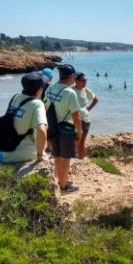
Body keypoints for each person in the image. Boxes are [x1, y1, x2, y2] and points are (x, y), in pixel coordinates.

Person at [45, 64, 82, 193]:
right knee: (66, 158)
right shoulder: (70, 93)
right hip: (66, 129)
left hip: (52, 127)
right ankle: (64, 186)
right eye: (75, 76)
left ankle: (60, 180)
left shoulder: (50, 88)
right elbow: (76, 116)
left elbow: (45, 106)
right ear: (71, 76)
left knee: (57, 156)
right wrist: (79, 132)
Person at [0, 72, 48, 164]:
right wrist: (40, 155)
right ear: (39, 90)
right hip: (26, 153)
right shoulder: (37, 104)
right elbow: (42, 130)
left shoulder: (15, 97)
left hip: (8, 152)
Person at [73, 72, 99, 159]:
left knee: (81, 140)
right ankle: (75, 157)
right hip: (74, 119)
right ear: (76, 81)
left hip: (85, 120)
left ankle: (80, 159)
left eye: (86, 80)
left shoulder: (86, 90)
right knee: (75, 139)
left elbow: (96, 99)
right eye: (83, 80)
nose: (85, 82)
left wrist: (88, 109)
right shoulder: (71, 91)